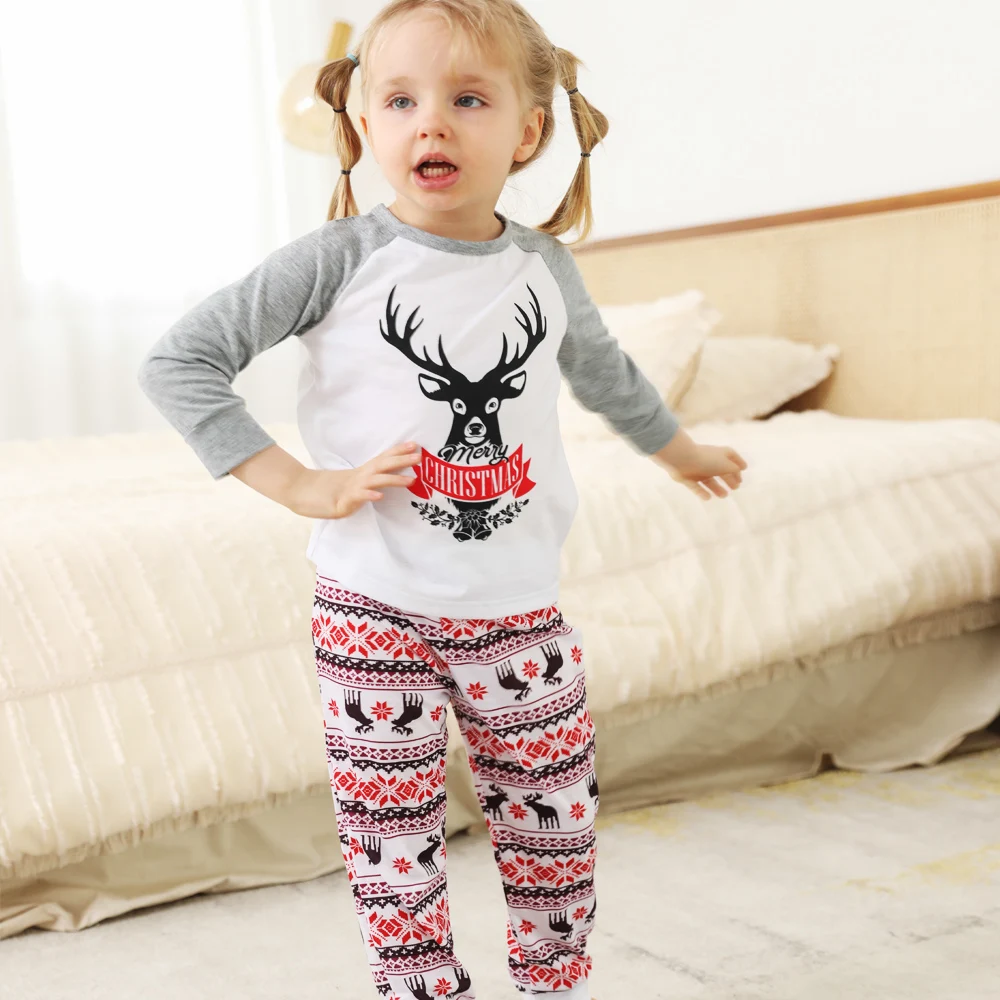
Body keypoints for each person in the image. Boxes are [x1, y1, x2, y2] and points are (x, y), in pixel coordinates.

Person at [137, 1, 748, 997]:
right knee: (393, 844)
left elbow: (608, 376)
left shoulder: (543, 268)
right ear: (363, 125)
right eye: (400, 101)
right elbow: (181, 362)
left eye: (468, 99)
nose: (431, 123)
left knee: (556, 827)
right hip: (370, 607)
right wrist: (298, 483)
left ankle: (553, 982)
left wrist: (679, 451)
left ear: (526, 131)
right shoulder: (335, 259)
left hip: (519, 612)